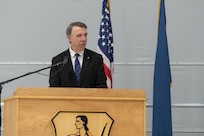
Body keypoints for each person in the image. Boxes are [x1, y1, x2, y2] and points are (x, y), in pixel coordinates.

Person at [49, 21, 107, 88]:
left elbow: (102, 86)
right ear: (69, 38)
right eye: (79, 36)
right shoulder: (58, 60)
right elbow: (54, 88)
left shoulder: (96, 59)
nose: (83, 39)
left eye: (85, 35)